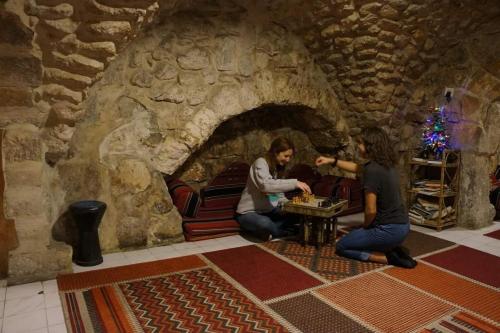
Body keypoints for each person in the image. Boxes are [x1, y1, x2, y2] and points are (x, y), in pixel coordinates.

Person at [315, 127, 417, 268]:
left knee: (342, 246)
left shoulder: (372, 170)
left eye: (361, 143)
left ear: (371, 146)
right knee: (357, 237)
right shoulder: (386, 164)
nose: (358, 146)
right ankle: (391, 247)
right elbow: (356, 168)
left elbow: (371, 210)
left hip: (388, 230)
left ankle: (387, 258)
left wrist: (365, 227)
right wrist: (331, 160)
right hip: (404, 226)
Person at [236, 137, 312, 241]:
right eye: (286, 156)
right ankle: (280, 232)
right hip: (248, 213)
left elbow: (277, 195)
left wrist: (289, 205)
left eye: (290, 156)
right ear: (276, 152)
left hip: (269, 211)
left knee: (298, 214)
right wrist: (295, 183)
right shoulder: (260, 162)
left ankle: (267, 231)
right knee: (264, 222)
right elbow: (266, 185)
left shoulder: (276, 168)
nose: (288, 160)